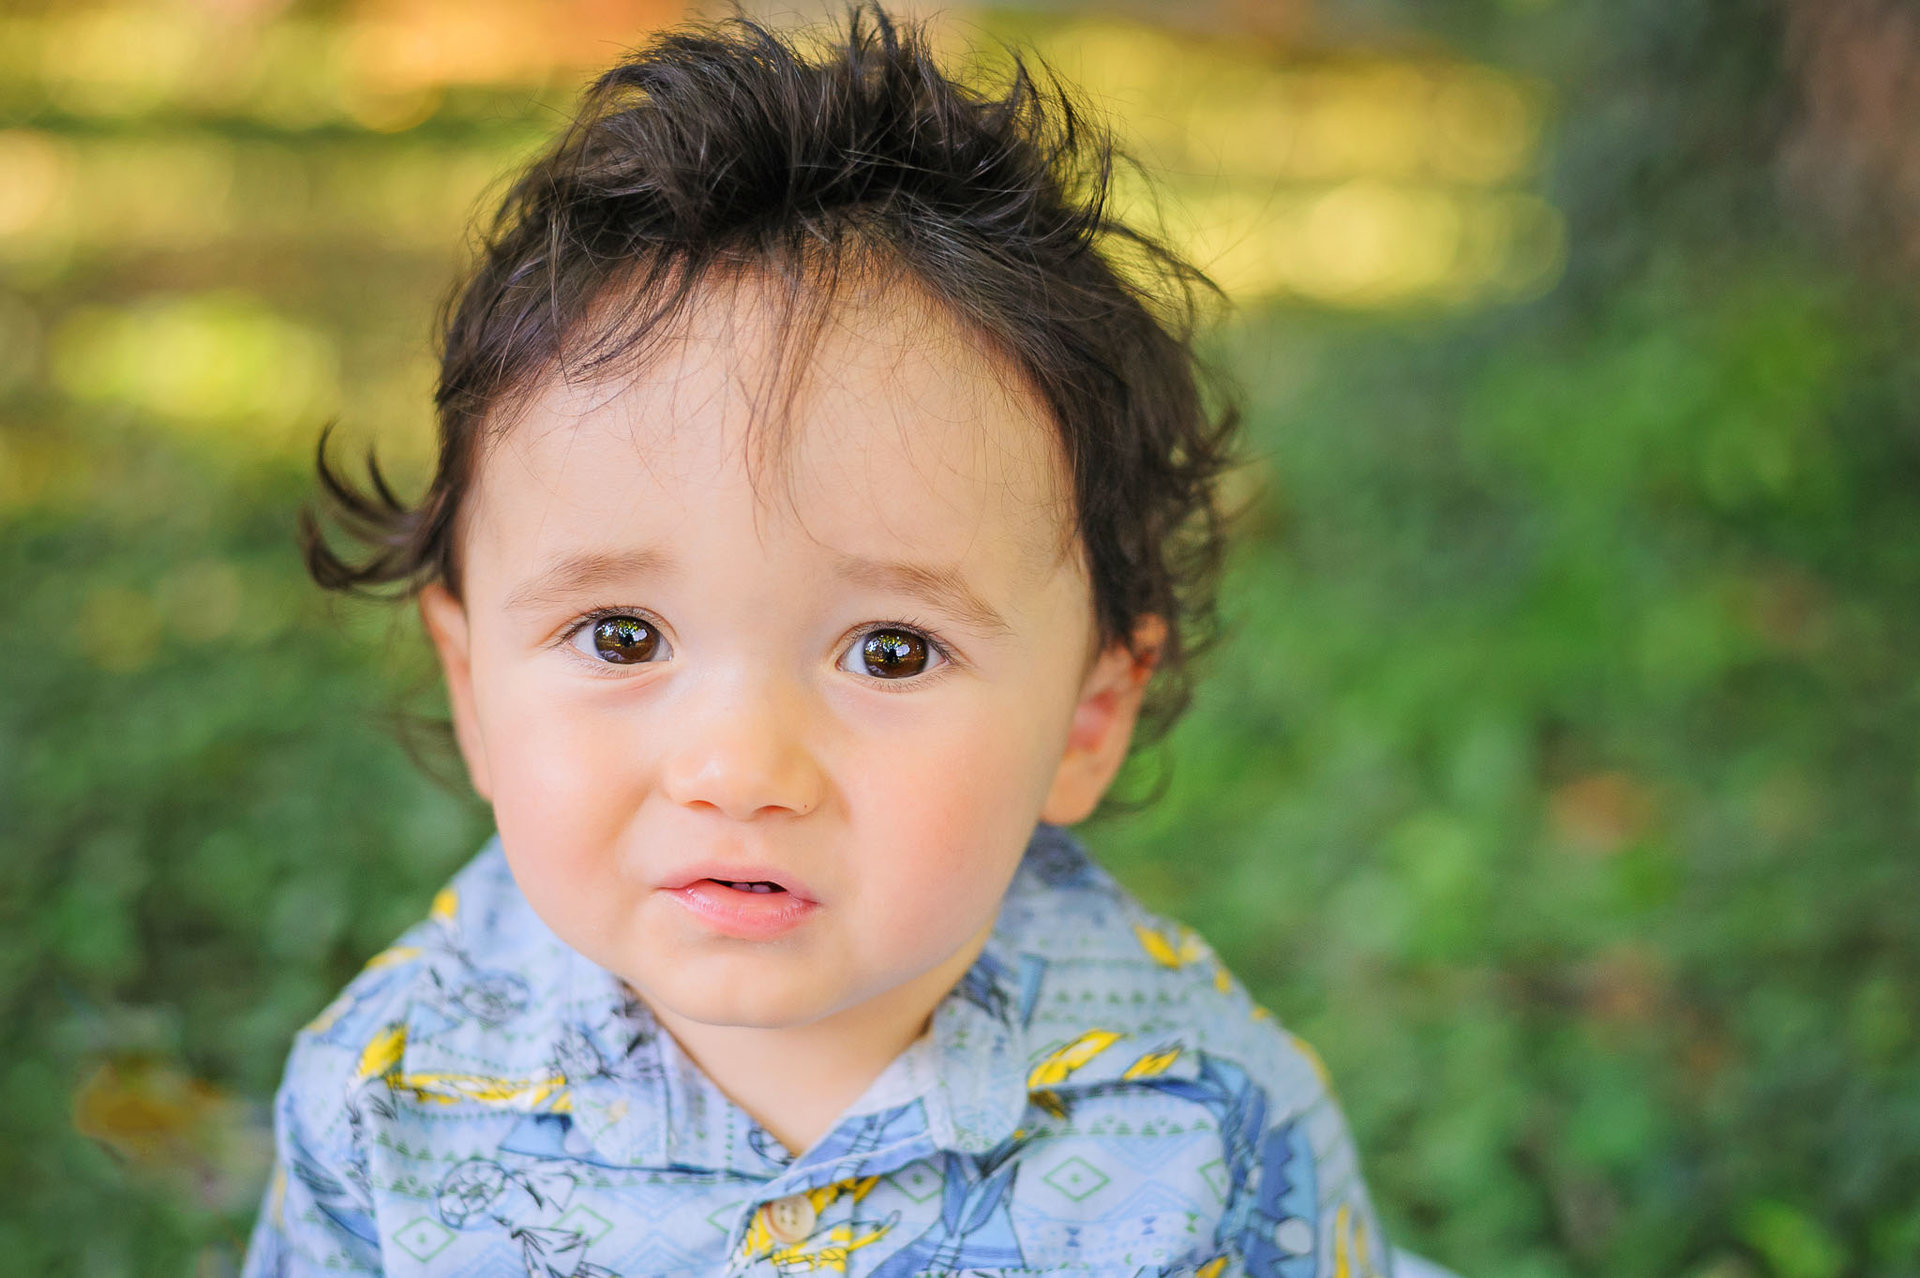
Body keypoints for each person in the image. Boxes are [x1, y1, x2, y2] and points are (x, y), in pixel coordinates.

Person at [241, 6, 1394, 1275]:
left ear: (1087, 719)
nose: (739, 770)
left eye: (891, 651)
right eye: (621, 636)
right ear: (472, 689)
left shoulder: (1202, 1128)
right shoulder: (385, 1106)